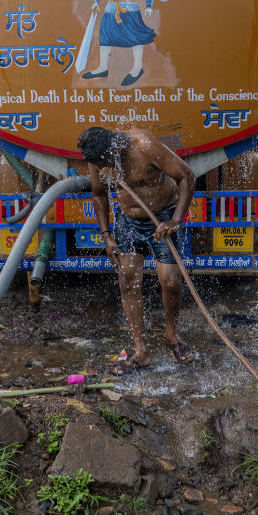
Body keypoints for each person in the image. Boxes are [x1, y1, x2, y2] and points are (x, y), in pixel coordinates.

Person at [77, 126, 196, 375]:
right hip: (128, 222)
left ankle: (172, 335)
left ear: (115, 148)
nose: (103, 168)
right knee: (127, 280)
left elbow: (186, 176)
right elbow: (98, 195)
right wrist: (106, 236)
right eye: (99, 165)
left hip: (161, 218)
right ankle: (141, 351)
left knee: (171, 281)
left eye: (105, 162)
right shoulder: (97, 159)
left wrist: (175, 220)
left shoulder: (143, 145)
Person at [81, 0, 172, 87]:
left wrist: (148, 5)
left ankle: (137, 68)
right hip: (111, 9)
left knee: (136, 37)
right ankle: (103, 68)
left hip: (129, 10)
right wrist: (95, 1)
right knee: (105, 38)